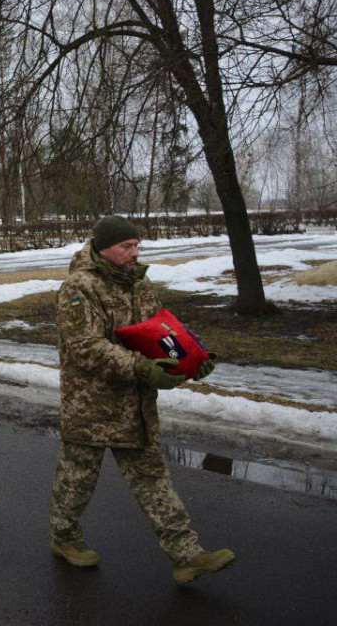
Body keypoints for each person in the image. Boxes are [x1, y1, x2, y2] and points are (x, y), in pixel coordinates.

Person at [49, 215, 234, 584]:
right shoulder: (78, 288)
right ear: (104, 249)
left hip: (136, 406)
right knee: (77, 479)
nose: (135, 253)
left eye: (137, 246)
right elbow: (87, 348)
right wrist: (144, 369)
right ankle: (64, 536)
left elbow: (160, 331)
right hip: (91, 406)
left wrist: (192, 359)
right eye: (127, 247)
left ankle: (186, 554)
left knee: (153, 479)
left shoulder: (138, 282)